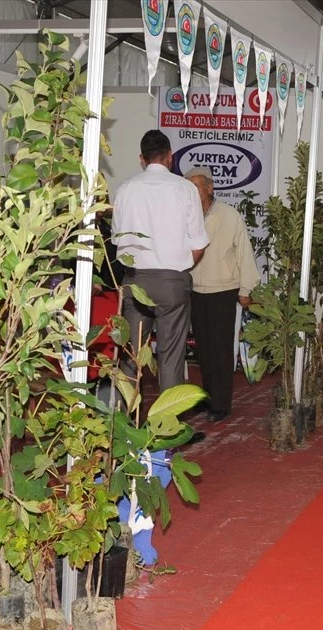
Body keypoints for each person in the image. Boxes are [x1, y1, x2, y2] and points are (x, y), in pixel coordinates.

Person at [112, 129, 210, 396]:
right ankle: (168, 427)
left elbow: (117, 240)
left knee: (130, 358)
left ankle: (124, 429)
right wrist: (177, 267)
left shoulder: (124, 189)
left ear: (141, 159)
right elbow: (199, 243)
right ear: (170, 157)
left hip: (135, 280)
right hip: (172, 283)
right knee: (171, 358)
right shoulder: (186, 189)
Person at [184, 167, 260, 422]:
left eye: (196, 186)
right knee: (203, 348)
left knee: (221, 349)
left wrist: (246, 289)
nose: (192, 191)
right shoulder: (185, 216)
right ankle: (207, 397)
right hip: (195, 289)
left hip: (223, 289)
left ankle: (222, 403)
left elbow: (244, 254)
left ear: (209, 188)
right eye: (188, 186)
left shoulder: (230, 216)